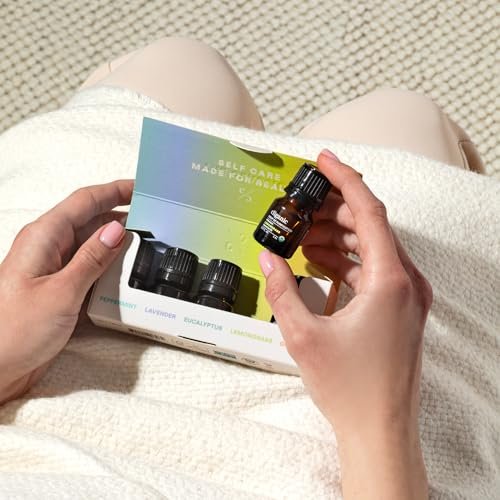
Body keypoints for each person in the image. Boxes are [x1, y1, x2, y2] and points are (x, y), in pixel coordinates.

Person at [0, 37, 489, 498]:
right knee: (405, 117)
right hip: (325, 429)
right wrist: (380, 418)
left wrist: (6, 360)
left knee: (186, 61)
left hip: (36, 368)